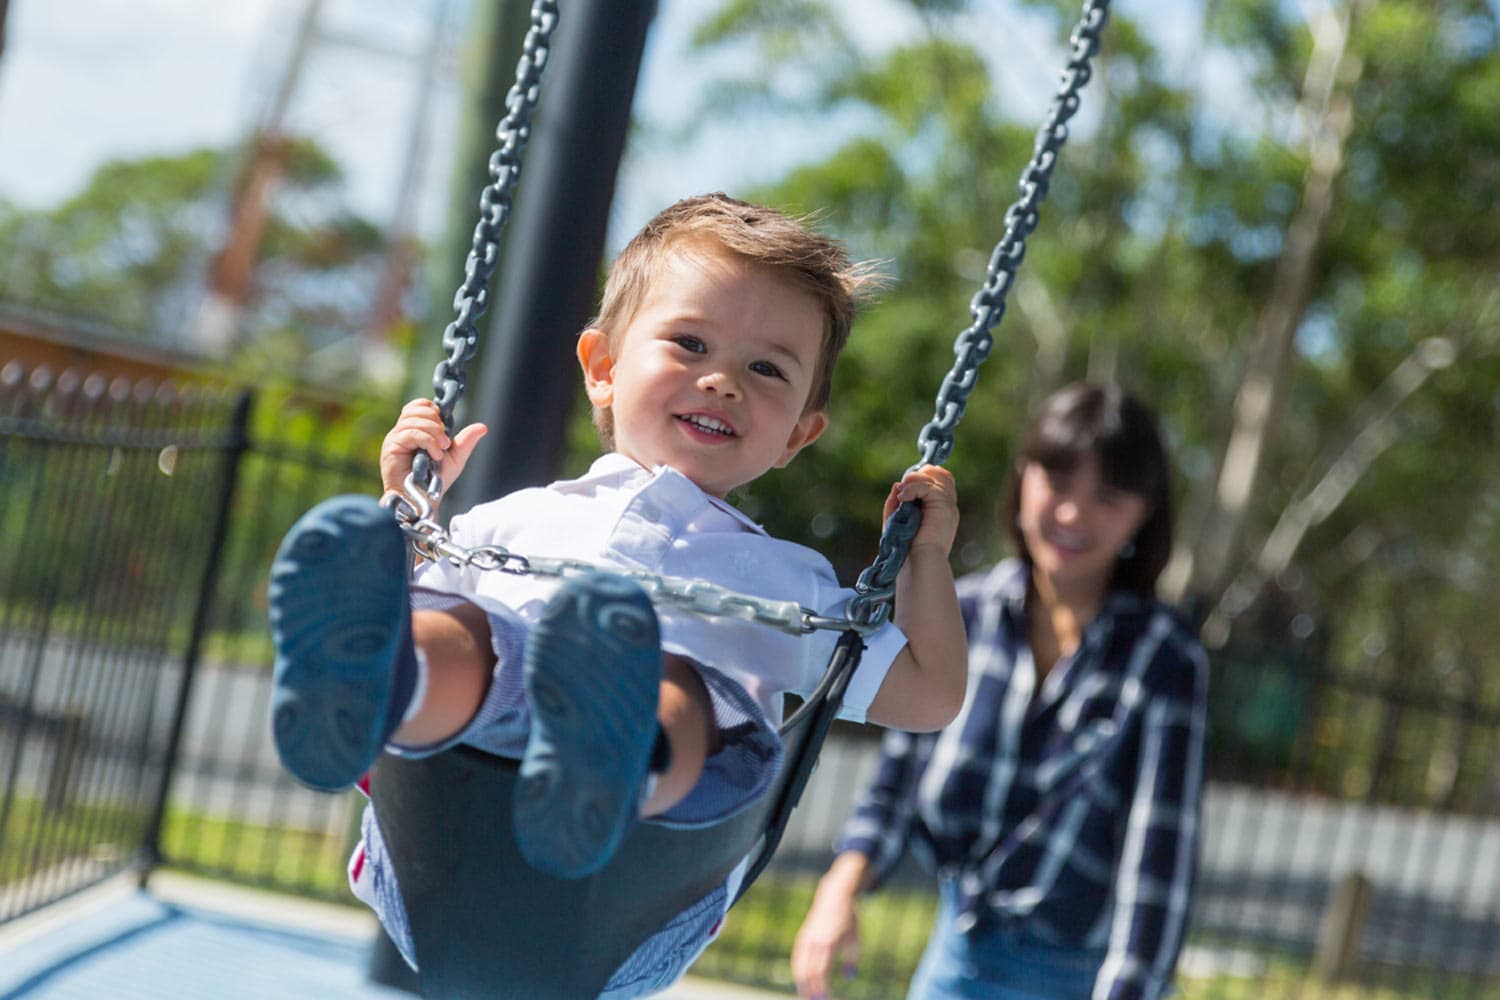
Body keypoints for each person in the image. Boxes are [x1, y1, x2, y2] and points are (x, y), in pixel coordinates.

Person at [266, 193, 969, 997]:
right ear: (603, 368)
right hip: (438, 849)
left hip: (633, 902)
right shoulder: (515, 519)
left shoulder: (791, 581)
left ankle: (608, 767)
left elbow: (927, 695)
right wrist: (407, 511)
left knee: (674, 686)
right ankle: (367, 693)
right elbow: (393, 599)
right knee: (463, 632)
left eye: (766, 369)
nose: (721, 381)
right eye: (690, 341)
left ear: (799, 434)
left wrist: (928, 561)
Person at [791, 382, 1208, 1000]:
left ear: (1144, 513)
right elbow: (897, 786)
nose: (1072, 514)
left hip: (1084, 978)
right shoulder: (968, 614)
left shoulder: (1163, 657)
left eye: (1108, 496)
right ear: (1023, 481)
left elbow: (1159, 860)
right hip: (957, 959)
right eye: (1058, 483)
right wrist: (839, 889)